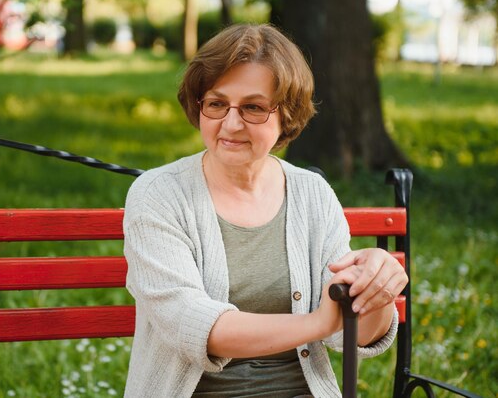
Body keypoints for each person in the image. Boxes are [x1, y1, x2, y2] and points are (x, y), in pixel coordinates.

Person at [122, 24, 408, 398]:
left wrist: (374, 289)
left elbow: (352, 332)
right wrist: (319, 320)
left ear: (287, 114)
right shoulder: (159, 195)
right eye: (216, 103)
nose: (231, 123)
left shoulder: (312, 193)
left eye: (253, 107)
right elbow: (194, 325)